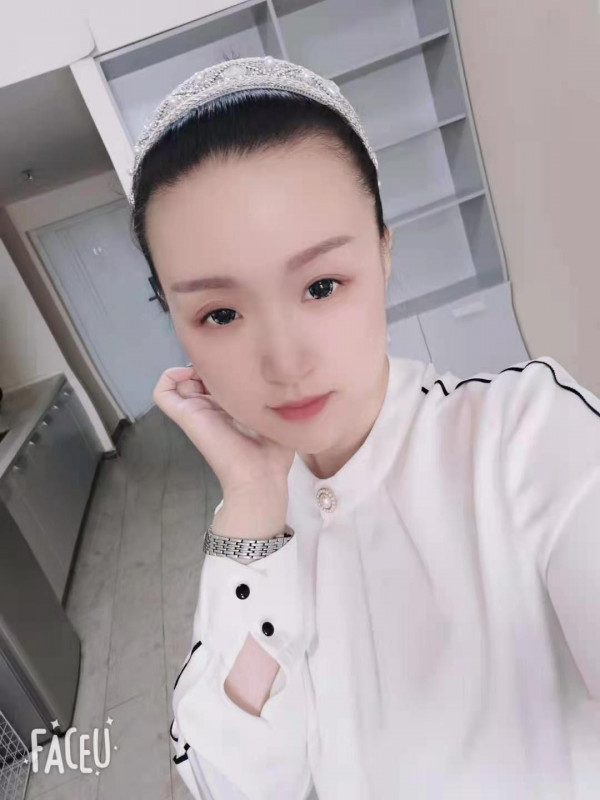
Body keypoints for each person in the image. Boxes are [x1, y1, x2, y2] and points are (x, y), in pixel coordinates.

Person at [128, 55, 600, 800]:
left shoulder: (526, 435)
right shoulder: (252, 536)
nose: (285, 361)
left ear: (383, 250)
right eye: (220, 314)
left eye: (321, 286)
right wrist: (252, 500)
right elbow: (232, 784)